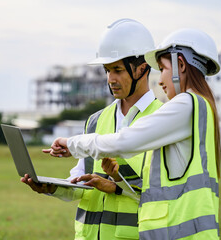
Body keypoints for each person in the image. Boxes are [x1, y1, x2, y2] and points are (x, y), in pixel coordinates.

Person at [46, 28, 221, 239]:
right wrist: (117, 182)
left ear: (180, 65)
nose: (160, 79)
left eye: (163, 68)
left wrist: (71, 144)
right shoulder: (202, 108)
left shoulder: (186, 105)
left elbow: (124, 141)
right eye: (107, 70)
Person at [22, 18, 162, 240]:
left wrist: (116, 184)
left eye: (117, 70)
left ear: (142, 69)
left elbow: (164, 195)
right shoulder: (96, 121)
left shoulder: (163, 119)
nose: (110, 79)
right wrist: (52, 188)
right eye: (107, 71)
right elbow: (81, 183)